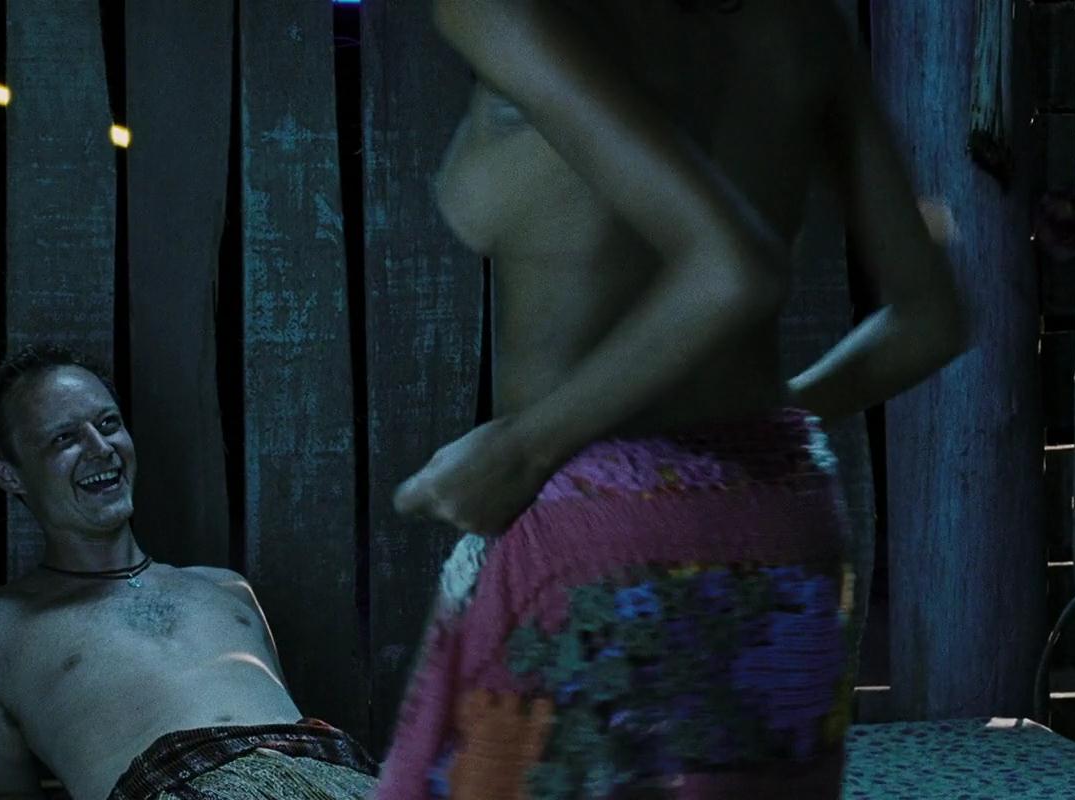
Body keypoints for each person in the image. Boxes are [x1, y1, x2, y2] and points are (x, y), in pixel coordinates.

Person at [381, 1, 969, 797]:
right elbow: (929, 320)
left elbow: (731, 268)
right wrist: (748, 441)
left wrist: (527, 449)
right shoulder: (807, 23)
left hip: (602, 536)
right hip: (782, 515)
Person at [0, 345, 380, 800]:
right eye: (65, 438)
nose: (101, 449)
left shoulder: (225, 588)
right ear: (8, 475)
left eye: (108, 424)